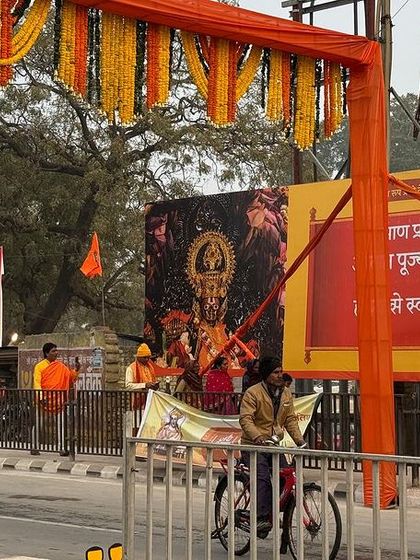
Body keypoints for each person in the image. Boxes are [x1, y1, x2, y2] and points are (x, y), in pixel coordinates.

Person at [239, 356, 305, 534]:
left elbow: (290, 419)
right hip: (253, 445)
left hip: (273, 445)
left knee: (286, 479)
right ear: (266, 375)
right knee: (262, 479)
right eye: (276, 372)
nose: (280, 375)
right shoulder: (253, 393)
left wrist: (300, 441)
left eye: (281, 371)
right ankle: (261, 517)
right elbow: (246, 419)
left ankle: (277, 513)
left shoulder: (285, 393)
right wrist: (257, 437)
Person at [32, 342, 81, 456]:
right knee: (39, 424)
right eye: (54, 351)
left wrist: (76, 370)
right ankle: (34, 446)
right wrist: (41, 396)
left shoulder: (61, 366)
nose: (56, 353)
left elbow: (70, 378)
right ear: (46, 353)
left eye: (56, 350)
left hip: (58, 401)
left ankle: (62, 448)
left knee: (61, 425)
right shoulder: (39, 366)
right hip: (43, 401)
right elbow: (37, 383)